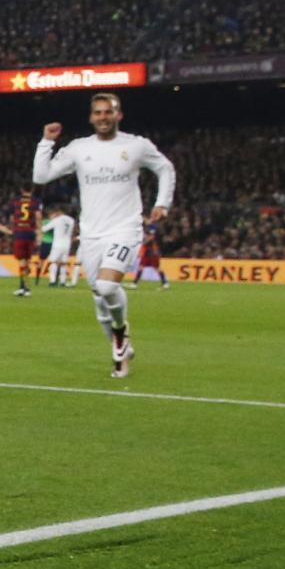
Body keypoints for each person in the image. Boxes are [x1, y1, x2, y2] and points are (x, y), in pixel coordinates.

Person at [33, 93, 176, 378]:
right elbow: (41, 176)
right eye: (97, 113)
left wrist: (162, 203)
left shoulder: (135, 145)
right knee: (100, 297)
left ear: (118, 115)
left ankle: (120, 342)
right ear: (91, 117)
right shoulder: (79, 148)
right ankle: (119, 342)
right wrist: (46, 142)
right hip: (91, 234)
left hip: (125, 229)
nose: (103, 117)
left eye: (108, 112)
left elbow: (165, 168)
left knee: (108, 287)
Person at [7, 187, 42, 296]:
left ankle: (25, 288)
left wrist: (13, 229)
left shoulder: (15, 201)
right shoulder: (35, 202)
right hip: (30, 232)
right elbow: (38, 217)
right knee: (27, 260)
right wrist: (39, 233)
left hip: (20, 232)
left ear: (22, 190)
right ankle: (23, 287)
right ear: (31, 191)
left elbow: (12, 219)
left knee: (22, 261)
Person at [42, 205, 78, 287]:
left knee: (53, 262)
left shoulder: (57, 220)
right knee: (63, 263)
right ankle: (63, 281)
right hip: (67, 244)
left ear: (60, 211)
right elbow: (73, 232)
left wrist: (50, 220)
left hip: (57, 244)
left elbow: (44, 229)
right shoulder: (71, 220)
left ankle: (52, 281)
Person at [130, 219, 170, 290]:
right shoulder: (146, 228)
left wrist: (145, 242)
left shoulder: (152, 228)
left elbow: (152, 237)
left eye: (146, 218)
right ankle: (134, 283)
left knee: (157, 268)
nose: (145, 220)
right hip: (147, 251)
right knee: (141, 266)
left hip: (152, 251)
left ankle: (165, 283)